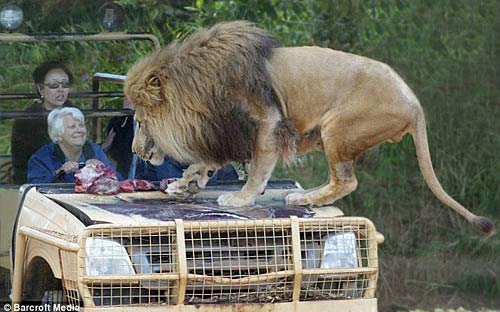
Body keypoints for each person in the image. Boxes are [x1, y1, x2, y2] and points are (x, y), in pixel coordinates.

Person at [11, 61, 75, 184]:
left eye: (65, 85)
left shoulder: (73, 111)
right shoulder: (27, 120)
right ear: (41, 89)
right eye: (54, 85)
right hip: (37, 180)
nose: (61, 90)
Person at [27, 107, 121, 183]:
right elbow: (34, 192)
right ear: (58, 135)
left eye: (81, 125)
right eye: (72, 127)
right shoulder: (41, 158)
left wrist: (103, 170)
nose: (79, 130)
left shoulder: (95, 151)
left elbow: (120, 182)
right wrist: (59, 173)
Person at [101, 100, 135, 178]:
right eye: (126, 98)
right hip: (119, 166)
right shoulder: (117, 120)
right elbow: (109, 145)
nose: (128, 101)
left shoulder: (147, 122)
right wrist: (106, 146)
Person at [135, 156, 239, 182]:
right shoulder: (154, 160)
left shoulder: (218, 163)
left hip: (211, 225)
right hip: (164, 223)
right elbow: (142, 192)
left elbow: (229, 187)